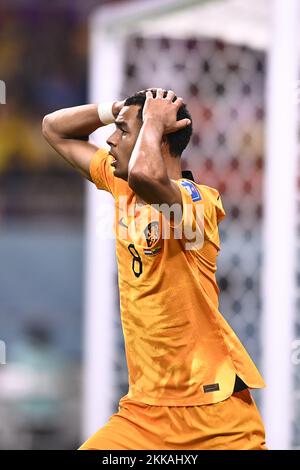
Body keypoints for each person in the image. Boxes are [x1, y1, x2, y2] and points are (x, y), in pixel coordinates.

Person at [42, 88, 267, 450]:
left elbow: (148, 175)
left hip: (214, 416)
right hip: (144, 415)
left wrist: (153, 121)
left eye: (123, 132)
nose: (111, 140)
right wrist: (117, 110)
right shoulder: (122, 187)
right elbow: (54, 128)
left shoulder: (197, 206)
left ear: (156, 137)